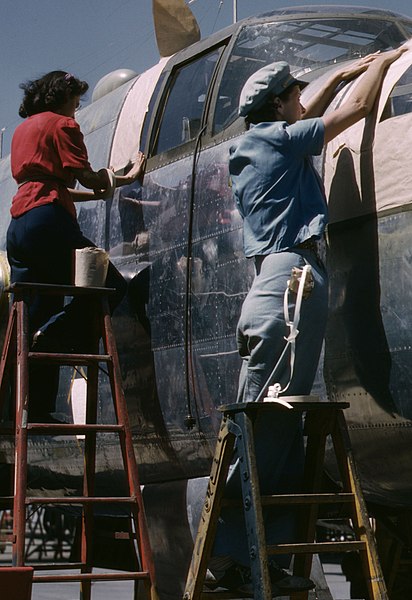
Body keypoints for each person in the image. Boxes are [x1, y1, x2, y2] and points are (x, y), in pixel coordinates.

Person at [208, 48, 406, 597]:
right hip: (290, 288)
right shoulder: (276, 138)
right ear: (278, 105)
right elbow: (359, 108)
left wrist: (337, 72)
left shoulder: (256, 141)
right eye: (294, 95)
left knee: (276, 428)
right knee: (268, 427)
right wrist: (381, 65)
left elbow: (306, 108)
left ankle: (250, 557)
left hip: (278, 284)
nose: (303, 100)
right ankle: (234, 554)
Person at [6, 70, 146, 422]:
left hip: (21, 225)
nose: (76, 110)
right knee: (110, 285)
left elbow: (50, 185)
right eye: (75, 102)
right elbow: (84, 175)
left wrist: (100, 189)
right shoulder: (63, 125)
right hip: (49, 222)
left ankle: (27, 408)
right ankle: (53, 341)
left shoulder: (24, 130)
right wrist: (121, 176)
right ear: (63, 97)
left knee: (34, 310)